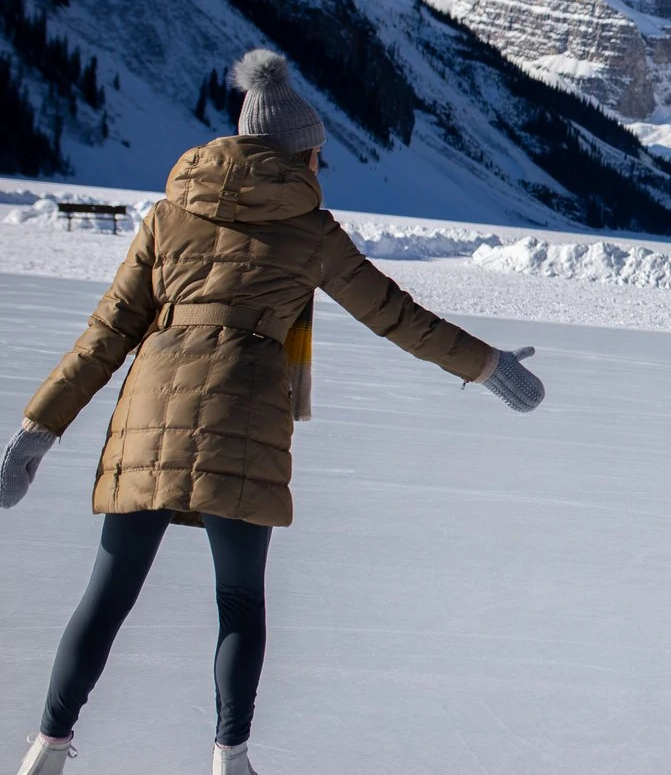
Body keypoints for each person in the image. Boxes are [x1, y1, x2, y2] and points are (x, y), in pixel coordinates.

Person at [0, 50, 547, 775]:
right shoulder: (309, 228)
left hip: (148, 414)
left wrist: (38, 429)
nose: (322, 171)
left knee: (107, 595)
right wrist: (487, 366)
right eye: (320, 157)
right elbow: (395, 316)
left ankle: (48, 747)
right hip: (247, 418)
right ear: (301, 154)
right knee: (239, 597)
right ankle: (231, 757)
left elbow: (105, 337)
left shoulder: (169, 215)